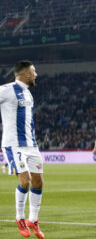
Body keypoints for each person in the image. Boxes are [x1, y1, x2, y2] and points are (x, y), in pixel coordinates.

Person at [0, 61, 44, 238]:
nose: (36, 74)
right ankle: (20, 218)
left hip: (31, 145)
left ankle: (33, 220)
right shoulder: (7, 89)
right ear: (26, 74)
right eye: (34, 71)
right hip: (13, 144)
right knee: (25, 181)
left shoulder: (28, 93)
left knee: (38, 182)